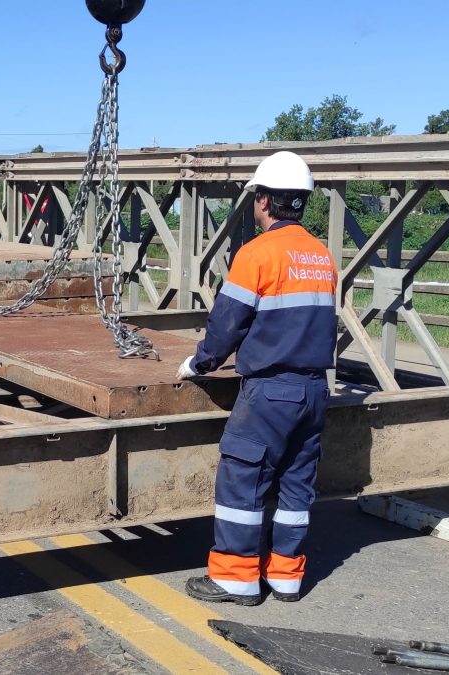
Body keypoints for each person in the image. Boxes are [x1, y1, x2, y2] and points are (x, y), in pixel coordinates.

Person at [176, 151, 337, 606]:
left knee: (242, 481)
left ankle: (235, 578)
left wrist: (199, 364)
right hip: (313, 390)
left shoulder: (257, 254)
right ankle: (286, 577)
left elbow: (227, 323)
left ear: (264, 200)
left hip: (271, 391)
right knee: (296, 483)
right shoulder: (321, 256)